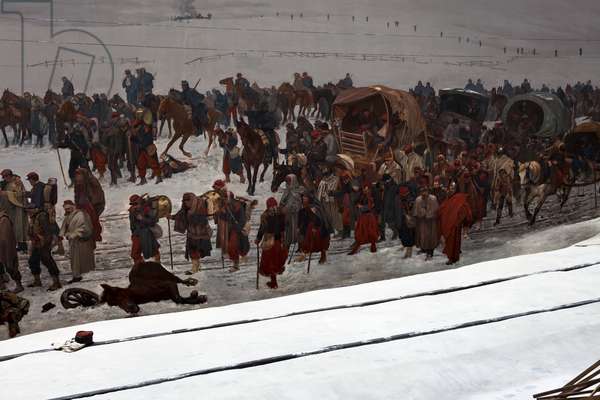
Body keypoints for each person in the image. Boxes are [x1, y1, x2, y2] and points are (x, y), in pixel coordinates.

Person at [173, 193, 212, 275]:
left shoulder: (200, 207)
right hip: (192, 234)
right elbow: (181, 215)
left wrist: (191, 217)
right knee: (192, 251)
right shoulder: (186, 209)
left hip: (202, 233)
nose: (186, 203)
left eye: (187, 201)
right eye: (185, 201)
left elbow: (203, 220)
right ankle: (195, 267)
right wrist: (172, 217)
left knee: (198, 251)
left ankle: (196, 267)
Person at [26, 205, 62, 290]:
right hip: (37, 243)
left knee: (48, 261)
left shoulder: (42, 216)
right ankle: (37, 281)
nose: (29, 212)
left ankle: (56, 282)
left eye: (31, 210)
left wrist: (45, 243)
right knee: (33, 261)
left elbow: (48, 231)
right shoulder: (33, 217)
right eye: (28, 210)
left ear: (36, 209)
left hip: (44, 244)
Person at [59, 200, 95, 283]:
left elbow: (85, 227)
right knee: (74, 260)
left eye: (68, 208)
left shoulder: (80, 214)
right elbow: (65, 226)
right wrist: (64, 234)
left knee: (79, 260)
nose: (67, 210)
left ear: (73, 206)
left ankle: (77, 276)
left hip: (81, 241)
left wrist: (75, 234)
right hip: (73, 241)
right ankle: (76, 275)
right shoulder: (68, 216)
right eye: (66, 209)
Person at [214, 183, 248, 272]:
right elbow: (222, 218)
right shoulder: (225, 206)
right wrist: (220, 212)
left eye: (226, 198)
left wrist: (238, 228)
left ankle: (236, 265)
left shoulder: (238, 206)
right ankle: (235, 264)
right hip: (227, 229)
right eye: (224, 198)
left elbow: (242, 219)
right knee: (229, 247)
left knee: (233, 246)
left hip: (236, 229)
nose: (224, 200)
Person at [255, 197, 288, 289]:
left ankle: (274, 282)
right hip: (275, 241)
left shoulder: (268, 216)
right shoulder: (279, 214)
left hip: (272, 242)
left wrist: (258, 238)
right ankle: (274, 281)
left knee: (271, 262)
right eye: (271, 206)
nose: (273, 208)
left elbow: (262, 229)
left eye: (273, 206)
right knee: (273, 261)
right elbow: (283, 227)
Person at [439, 182, 473, 265]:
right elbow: (445, 207)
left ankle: (453, 258)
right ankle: (451, 258)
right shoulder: (449, 197)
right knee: (449, 241)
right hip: (448, 222)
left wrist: (458, 220)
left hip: (455, 224)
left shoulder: (459, 197)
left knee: (454, 241)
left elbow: (464, 209)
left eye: (453, 187)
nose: (451, 188)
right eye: (451, 186)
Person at [297, 194, 331, 264]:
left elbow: (319, 219)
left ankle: (323, 256)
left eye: (305, 198)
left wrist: (315, 226)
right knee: (305, 240)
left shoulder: (315, 208)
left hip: (318, 229)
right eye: (303, 199)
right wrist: (299, 227)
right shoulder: (303, 209)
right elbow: (303, 219)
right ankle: (303, 254)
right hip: (309, 229)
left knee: (319, 243)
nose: (304, 200)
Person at [0, 170, 29, 251]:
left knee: (19, 227)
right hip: (9, 209)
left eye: (5, 176)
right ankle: (17, 245)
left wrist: (6, 193)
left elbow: (20, 194)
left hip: (17, 209)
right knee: (12, 228)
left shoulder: (17, 183)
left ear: (9, 176)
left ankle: (22, 246)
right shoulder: (7, 183)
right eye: (3, 177)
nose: (4, 178)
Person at [73, 168, 105, 243]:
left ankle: (95, 235)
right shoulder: (77, 183)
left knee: (93, 220)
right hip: (82, 204)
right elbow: (76, 194)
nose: (78, 177)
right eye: (77, 175)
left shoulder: (92, 181)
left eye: (79, 175)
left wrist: (92, 203)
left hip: (92, 204)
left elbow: (98, 194)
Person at [131, 111, 163, 185]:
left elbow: (149, 135)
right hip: (141, 148)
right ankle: (143, 179)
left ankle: (159, 177)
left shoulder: (147, 124)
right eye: (137, 115)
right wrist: (132, 137)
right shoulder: (136, 125)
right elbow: (135, 138)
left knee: (153, 163)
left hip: (148, 147)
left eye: (140, 115)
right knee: (141, 164)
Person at [128, 194, 160, 265]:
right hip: (137, 234)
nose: (134, 206)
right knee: (135, 254)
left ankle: (158, 267)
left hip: (147, 233)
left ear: (140, 202)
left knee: (154, 251)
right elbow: (132, 225)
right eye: (132, 204)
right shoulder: (132, 211)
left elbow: (153, 222)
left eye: (136, 204)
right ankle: (140, 267)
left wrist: (142, 219)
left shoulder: (147, 209)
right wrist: (133, 234)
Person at [348, 184, 380, 255]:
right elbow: (356, 202)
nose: (365, 190)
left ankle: (373, 246)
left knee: (371, 232)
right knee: (360, 231)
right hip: (363, 216)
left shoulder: (370, 195)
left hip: (369, 216)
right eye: (364, 188)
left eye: (366, 188)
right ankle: (357, 245)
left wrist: (361, 207)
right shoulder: (362, 195)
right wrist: (358, 204)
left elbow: (370, 206)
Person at [0, 205, 23, 292]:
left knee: (11, 267)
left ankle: (19, 285)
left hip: (6, 249)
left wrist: (7, 251)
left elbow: (6, 238)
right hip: (2, 248)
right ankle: (1, 284)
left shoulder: (4, 220)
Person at [412, 186, 440, 260]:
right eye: (422, 191)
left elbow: (436, 210)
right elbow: (415, 211)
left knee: (430, 238)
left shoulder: (433, 198)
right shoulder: (418, 199)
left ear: (428, 191)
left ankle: (430, 253)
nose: (424, 193)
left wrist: (427, 214)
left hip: (431, 222)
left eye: (425, 191)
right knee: (422, 237)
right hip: (421, 222)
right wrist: (420, 214)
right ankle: (424, 249)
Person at [279, 174, 304, 249]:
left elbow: (298, 204)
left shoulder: (298, 192)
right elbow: (282, 201)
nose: (287, 183)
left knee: (297, 230)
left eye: (289, 181)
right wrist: (281, 207)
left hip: (296, 215)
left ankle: (300, 246)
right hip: (287, 215)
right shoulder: (286, 191)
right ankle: (287, 245)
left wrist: (288, 208)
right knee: (287, 230)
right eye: (286, 181)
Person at [316, 167, 342, 235]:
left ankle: (336, 230)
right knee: (327, 216)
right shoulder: (322, 181)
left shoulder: (336, 179)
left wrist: (333, 192)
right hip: (325, 201)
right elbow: (319, 192)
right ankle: (331, 230)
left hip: (333, 200)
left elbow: (340, 190)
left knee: (334, 215)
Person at [395, 185, 416, 258]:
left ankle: (409, 253)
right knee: (404, 236)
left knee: (409, 237)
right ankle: (407, 252)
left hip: (407, 221)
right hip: (402, 221)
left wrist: (407, 214)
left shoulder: (409, 199)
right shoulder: (399, 198)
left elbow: (411, 209)